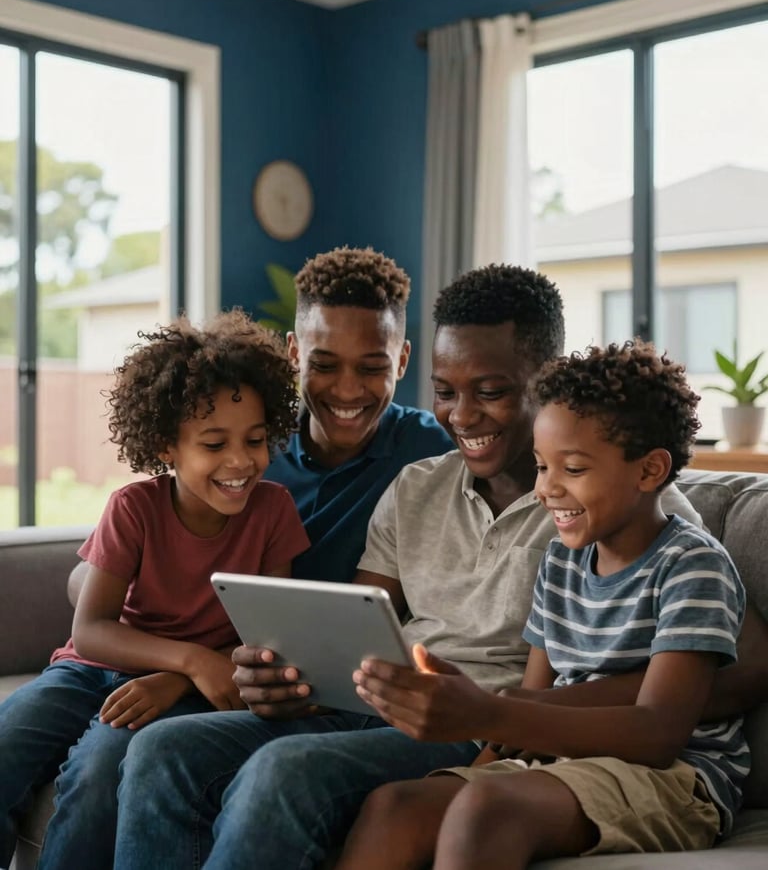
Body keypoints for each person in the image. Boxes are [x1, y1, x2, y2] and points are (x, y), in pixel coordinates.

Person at [114, 265, 761, 870]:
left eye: (491, 392)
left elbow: (736, 663)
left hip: (473, 711)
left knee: (284, 771)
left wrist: (497, 712)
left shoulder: (626, 506)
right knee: (162, 750)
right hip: (405, 698)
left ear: (547, 379)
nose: (461, 415)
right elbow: (360, 631)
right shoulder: (421, 487)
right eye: (446, 392)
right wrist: (294, 674)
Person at [335, 340, 748, 870]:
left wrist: (490, 713)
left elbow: (659, 732)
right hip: (564, 758)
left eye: (571, 470)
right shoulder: (561, 560)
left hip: (676, 777)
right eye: (540, 467)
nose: (547, 490)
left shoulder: (691, 565)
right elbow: (532, 698)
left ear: (649, 472)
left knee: (487, 809)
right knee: (397, 805)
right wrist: (479, 745)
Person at [0, 309, 309, 870]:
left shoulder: (273, 513)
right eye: (214, 444)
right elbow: (90, 630)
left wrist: (181, 678)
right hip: (91, 669)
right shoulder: (134, 508)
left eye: (257, 440)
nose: (241, 461)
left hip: (188, 688)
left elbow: (269, 637)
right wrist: (187, 658)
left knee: (100, 771)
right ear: (167, 445)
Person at [264, 245, 453, 584]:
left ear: (402, 361)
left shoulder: (433, 449)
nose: (347, 390)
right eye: (324, 365)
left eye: (371, 368)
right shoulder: (255, 450)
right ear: (294, 353)